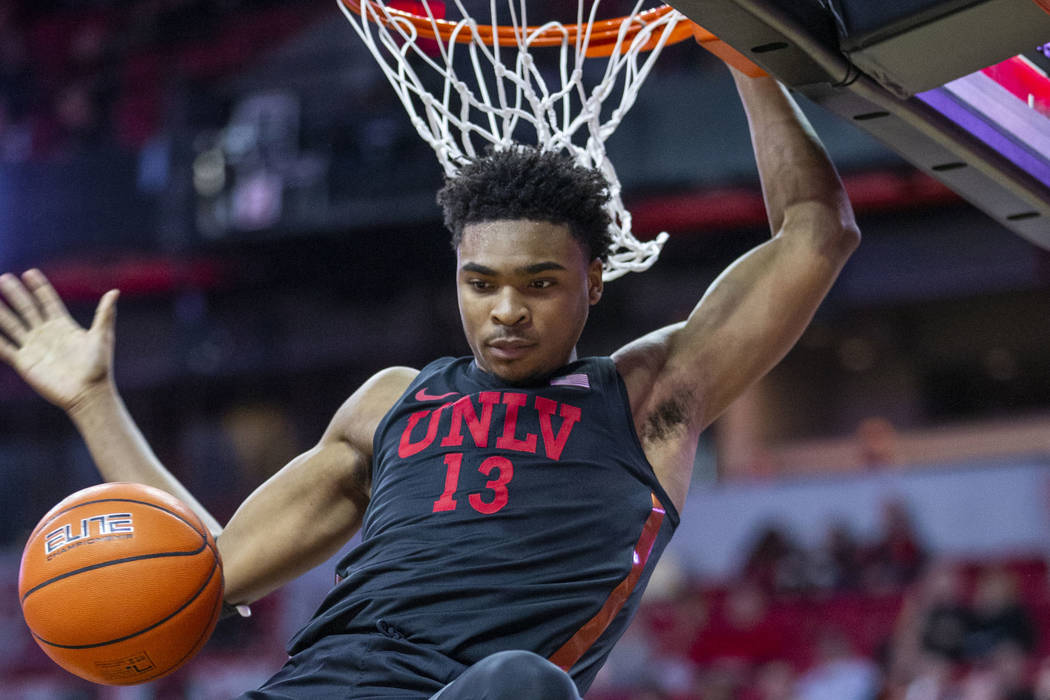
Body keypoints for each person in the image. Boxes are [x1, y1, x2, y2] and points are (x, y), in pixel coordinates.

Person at [0, 67, 860, 698]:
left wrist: (747, 55)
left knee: (520, 685)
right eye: (480, 283)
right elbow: (202, 573)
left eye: (540, 283)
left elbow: (816, 232)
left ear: (593, 280)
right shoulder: (392, 403)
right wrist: (93, 401)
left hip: (476, 695)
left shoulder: (645, 397)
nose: (506, 311)